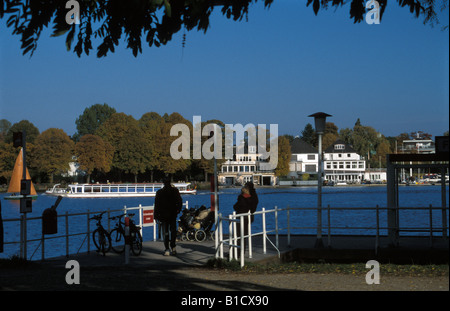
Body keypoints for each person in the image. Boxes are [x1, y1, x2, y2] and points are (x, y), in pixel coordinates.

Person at [154, 177, 182, 256]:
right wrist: (178, 210)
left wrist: (156, 216)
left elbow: (156, 205)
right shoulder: (175, 191)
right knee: (172, 231)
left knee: (165, 232)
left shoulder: (159, 192)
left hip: (163, 215)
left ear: (163, 183)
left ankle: (167, 248)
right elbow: (180, 201)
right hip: (172, 214)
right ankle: (173, 247)